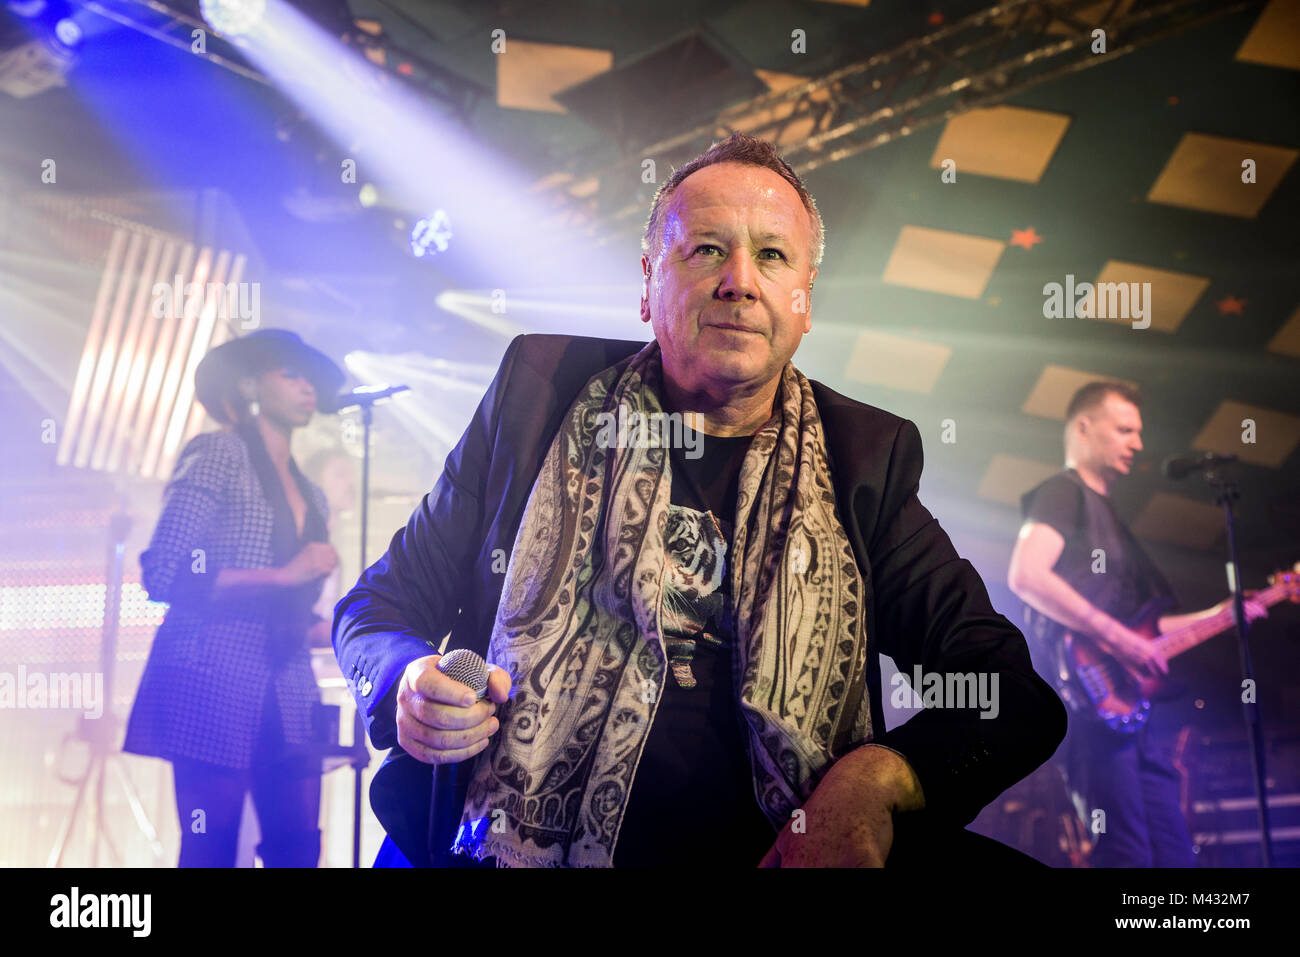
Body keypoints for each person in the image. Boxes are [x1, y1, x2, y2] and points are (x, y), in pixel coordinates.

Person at [335, 132, 1067, 868]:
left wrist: (875, 779)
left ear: (805, 302)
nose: (740, 282)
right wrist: (405, 680)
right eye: (708, 250)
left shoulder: (864, 460)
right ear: (648, 282)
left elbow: (1011, 693)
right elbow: (375, 611)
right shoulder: (536, 394)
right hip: (490, 844)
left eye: (773, 256)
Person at [1008, 381, 1267, 867]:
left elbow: (1149, 627)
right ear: (1083, 428)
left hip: (1134, 710)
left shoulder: (1112, 519)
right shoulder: (1063, 492)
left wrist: (1219, 616)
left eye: (1139, 432)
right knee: (1124, 852)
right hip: (1087, 701)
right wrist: (1119, 640)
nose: (1139, 444)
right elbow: (1026, 574)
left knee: (1173, 853)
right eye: (1125, 430)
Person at [124, 328, 344, 867]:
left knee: (297, 847)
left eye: (309, 376)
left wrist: (355, 633)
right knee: (211, 848)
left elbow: (296, 612)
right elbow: (165, 570)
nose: (305, 386)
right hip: (211, 674)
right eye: (290, 373)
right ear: (249, 384)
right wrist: (283, 574)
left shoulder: (312, 492)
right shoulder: (219, 451)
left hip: (288, 685)